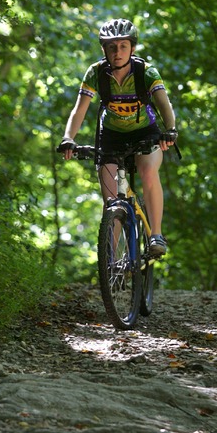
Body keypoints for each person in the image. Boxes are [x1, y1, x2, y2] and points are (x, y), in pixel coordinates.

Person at [59, 18, 177, 256]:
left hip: (146, 133)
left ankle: (156, 235)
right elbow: (79, 109)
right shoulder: (96, 73)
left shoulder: (145, 71)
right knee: (111, 200)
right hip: (111, 136)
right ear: (104, 49)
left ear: (132, 48)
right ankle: (111, 262)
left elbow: (164, 104)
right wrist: (68, 138)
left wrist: (171, 129)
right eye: (111, 47)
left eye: (123, 46)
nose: (117, 52)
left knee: (147, 171)